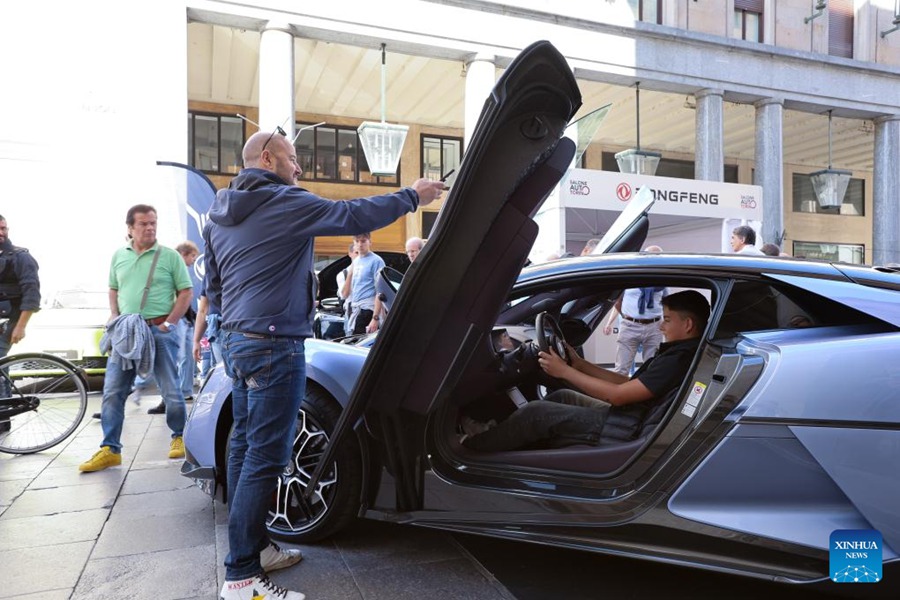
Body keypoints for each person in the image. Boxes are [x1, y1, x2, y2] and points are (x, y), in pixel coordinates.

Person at [204, 129, 442, 600]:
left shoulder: (217, 214)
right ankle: (242, 578)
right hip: (274, 343)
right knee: (265, 457)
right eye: (293, 160)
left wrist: (226, 330)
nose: (299, 169)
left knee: (244, 448)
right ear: (267, 158)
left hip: (235, 339)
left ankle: (253, 548)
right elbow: (351, 213)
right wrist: (413, 195)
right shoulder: (285, 201)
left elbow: (214, 285)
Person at [463, 290, 709, 452]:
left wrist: (565, 372)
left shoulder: (678, 358)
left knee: (537, 412)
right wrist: (581, 366)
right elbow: (629, 383)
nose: (661, 325)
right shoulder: (681, 352)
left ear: (687, 324)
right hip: (633, 416)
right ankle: (495, 435)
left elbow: (618, 396)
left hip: (627, 428)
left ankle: (472, 446)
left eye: (666, 319)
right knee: (561, 397)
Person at [79, 204, 193, 472]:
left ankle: (179, 437)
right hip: (127, 333)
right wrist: (115, 316)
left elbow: (185, 292)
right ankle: (110, 449)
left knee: (172, 391)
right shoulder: (119, 255)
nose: (150, 227)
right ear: (130, 228)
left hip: (159, 331)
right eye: (143, 223)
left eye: (153, 222)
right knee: (113, 392)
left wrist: (169, 323)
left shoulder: (169, 256)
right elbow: (113, 288)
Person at [148, 241, 200, 415]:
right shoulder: (174, 264)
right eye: (193, 256)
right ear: (184, 254)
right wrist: (170, 322)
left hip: (182, 320)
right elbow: (180, 296)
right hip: (177, 322)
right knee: (176, 360)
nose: (194, 260)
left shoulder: (173, 266)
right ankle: (173, 396)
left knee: (183, 359)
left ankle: (180, 395)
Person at [0, 215, 41, 432]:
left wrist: (21, 325)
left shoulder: (20, 257)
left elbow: (32, 293)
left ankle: (2, 417)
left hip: (10, 320)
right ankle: (3, 417)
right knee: (1, 366)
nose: (1, 233)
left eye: (4, 228)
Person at [602, 246, 665, 376]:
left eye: (657, 257)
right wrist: (627, 318)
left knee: (652, 369)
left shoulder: (662, 280)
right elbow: (617, 301)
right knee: (621, 370)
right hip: (630, 326)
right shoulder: (631, 277)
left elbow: (667, 303)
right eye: (651, 256)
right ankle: (619, 395)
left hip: (655, 327)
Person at [341, 232, 384, 335]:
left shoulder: (376, 261)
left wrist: (375, 318)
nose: (360, 244)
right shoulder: (356, 262)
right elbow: (344, 294)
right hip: (355, 309)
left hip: (368, 309)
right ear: (354, 243)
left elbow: (381, 291)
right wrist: (350, 273)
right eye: (357, 241)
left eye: (363, 241)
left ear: (370, 242)